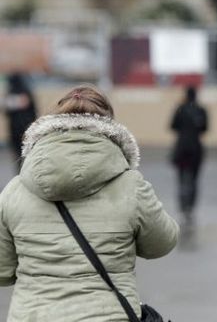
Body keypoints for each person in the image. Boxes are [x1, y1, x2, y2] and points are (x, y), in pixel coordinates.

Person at [0, 85, 179, 321]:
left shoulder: (15, 191)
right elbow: (162, 243)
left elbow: (2, 271)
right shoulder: (130, 186)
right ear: (110, 127)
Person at [170, 86, 209, 225]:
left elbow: (172, 126)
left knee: (181, 180)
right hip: (196, 150)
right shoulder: (201, 110)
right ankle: (190, 209)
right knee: (193, 180)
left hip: (181, 150)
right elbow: (205, 129)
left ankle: (182, 208)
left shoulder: (180, 109)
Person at [3, 73, 37, 171]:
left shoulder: (23, 91)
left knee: (25, 153)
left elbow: (24, 102)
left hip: (23, 128)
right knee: (20, 154)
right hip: (18, 128)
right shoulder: (15, 91)